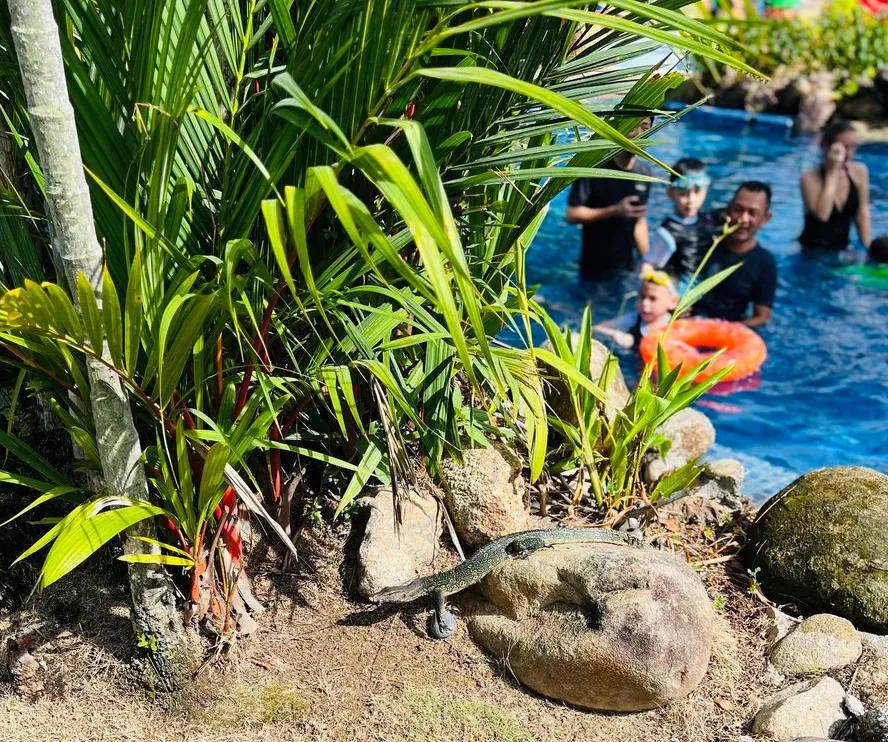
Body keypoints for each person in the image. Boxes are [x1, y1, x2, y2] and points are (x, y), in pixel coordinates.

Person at [566, 117, 654, 279]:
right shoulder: (595, 168)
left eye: (645, 127)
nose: (639, 134)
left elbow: (639, 220)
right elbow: (572, 214)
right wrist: (615, 210)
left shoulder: (645, 174)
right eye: (633, 126)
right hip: (594, 266)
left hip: (627, 265)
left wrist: (648, 262)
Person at [696, 181, 777, 328]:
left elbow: (762, 316)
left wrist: (727, 330)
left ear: (766, 219)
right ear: (728, 210)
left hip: (730, 329)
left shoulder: (765, 264)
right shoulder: (705, 242)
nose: (743, 219)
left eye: (753, 213)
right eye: (738, 210)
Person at [799, 119, 872, 251]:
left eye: (853, 147)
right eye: (843, 147)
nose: (848, 154)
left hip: (842, 248)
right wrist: (832, 171)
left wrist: (868, 249)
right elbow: (822, 215)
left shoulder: (859, 172)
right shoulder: (809, 177)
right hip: (812, 251)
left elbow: (862, 213)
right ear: (826, 146)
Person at [650, 157, 718, 286]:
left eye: (697, 192)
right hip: (680, 297)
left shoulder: (708, 220)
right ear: (670, 192)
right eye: (683, 193)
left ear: (706, 190)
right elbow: (649, 266)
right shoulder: (667, 233)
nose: (691, 200)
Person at [594, 267, 679, 350]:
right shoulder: (634, 319)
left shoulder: (676, 326)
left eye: (653, 298)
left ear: (673, 302)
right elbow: (596, 328)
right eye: (642, 296)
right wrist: (616, 334)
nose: (645, 303)